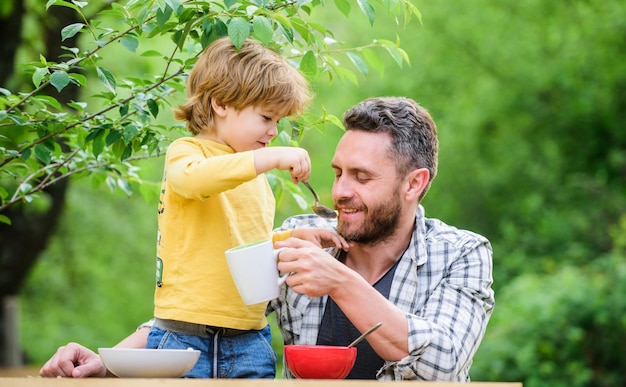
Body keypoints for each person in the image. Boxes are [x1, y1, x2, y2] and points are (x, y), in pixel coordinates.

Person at [40, 96, 494, 381]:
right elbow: (210, 313)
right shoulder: (301, 237)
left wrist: (338, 281)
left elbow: (443, 366)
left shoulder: (460, 253)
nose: (339, 192)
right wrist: (111, 361)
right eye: (337, 173)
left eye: (361, 176)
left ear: (414, 184)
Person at [129, 36, 348, 379]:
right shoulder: (187, 153)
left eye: (278, 122)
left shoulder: (253, 177)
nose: (274, 132)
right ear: (220, 103)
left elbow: (245, 248)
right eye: (266, 117)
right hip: (183, 338)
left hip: (248, 339)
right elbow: (193, 181)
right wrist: (265, 158)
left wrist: (289, 239)